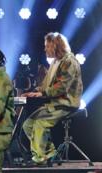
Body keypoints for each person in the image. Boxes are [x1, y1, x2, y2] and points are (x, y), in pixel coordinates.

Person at [22, 32, 83, 165]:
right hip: (54, 103)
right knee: (28, 125)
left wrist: (43, 94)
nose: (45, 49)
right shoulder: (55, 62)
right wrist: (34, 92)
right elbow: (46, 85)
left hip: (66, 103)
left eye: (47, 46)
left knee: (39, 123)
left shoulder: (69, 62)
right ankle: (49, 153)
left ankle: (40, 158)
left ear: (55, 46)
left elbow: (62, 86)